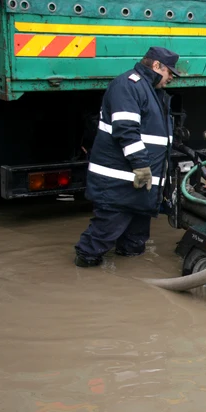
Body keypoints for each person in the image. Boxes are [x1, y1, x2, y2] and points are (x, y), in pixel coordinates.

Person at [74, 47, 180, 267]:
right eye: (170, 72)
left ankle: (128, 277)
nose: (171, 77)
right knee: (101, 237)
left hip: (140, 187)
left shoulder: (150, 90)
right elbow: (126, 130)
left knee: (135, 245)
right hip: (118, 184)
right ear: (156, 66)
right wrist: (142, 165)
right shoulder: (128, 86)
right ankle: (85, 267)